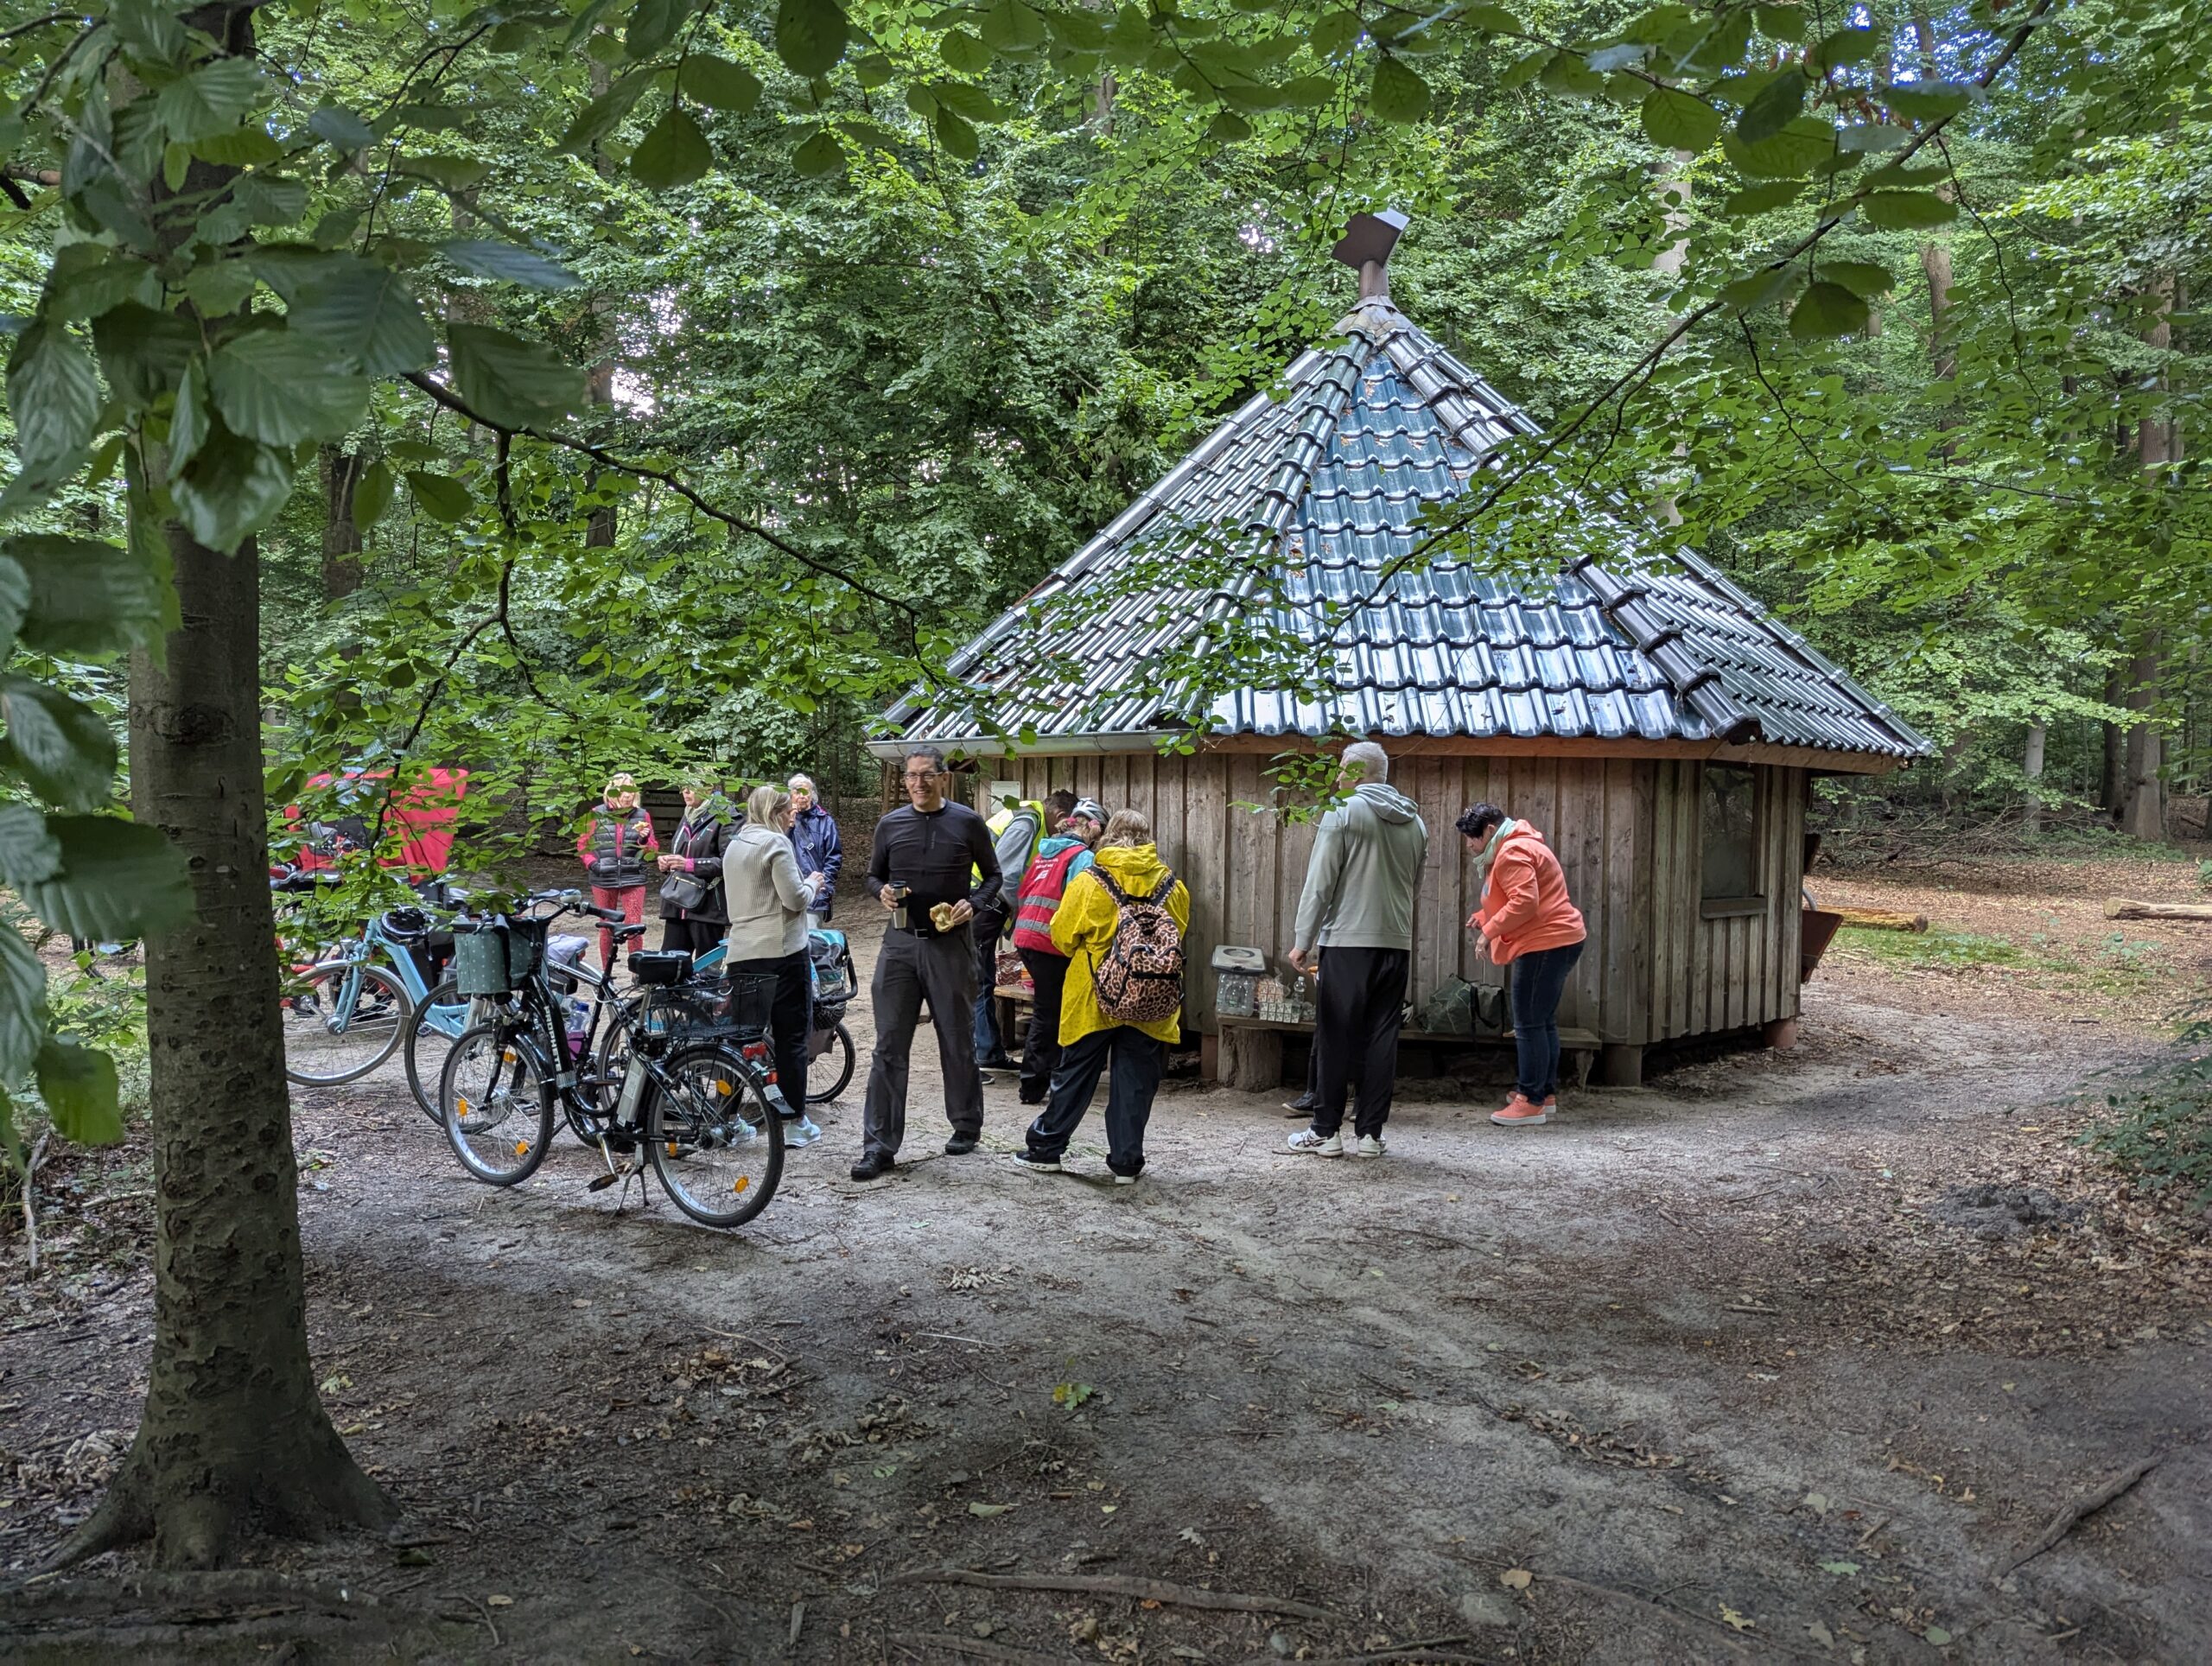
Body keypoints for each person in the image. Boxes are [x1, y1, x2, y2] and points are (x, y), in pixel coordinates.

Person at [1014, 809, 1189, 1185]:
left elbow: (1061, 935)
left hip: (1093, 995)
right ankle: (1126, 1162)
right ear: (1147, 839)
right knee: (1136, 1081)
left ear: (1110, 836)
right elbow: (1178, 935)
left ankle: (1046, 1150)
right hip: (1151, 1000)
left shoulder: (1090, 881)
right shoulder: (1174, 887)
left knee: (1075, 1073)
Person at [852, 748, 1001, 1182]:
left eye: (926, 776)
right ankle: (878, 1146)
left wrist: (973, 905)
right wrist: (879, 892)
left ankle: (965, 1124)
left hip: (950, 945)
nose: (917, 784)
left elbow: (993, 877)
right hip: (899, 944)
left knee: (956, 1038)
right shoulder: (890, 824)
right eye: (910, 777)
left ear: (943, 779)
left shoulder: (967, 822)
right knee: (888, 1046)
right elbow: (872, 876)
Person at [1284, 741, 1427, 1159]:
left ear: (1357, 771)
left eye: (1343, 768)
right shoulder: (1416, 824)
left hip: (1347, 942)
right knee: (1382, 1037)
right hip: (1395, 944)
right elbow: (1411, 890)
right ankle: (1370, 1134)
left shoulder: (1342, 811)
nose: (1338, 776)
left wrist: (1302, 940)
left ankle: (1326, 1131)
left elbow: (1320, 883)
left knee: (1335, 1036)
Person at [1459, 801, 1587, 1128]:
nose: (1470, 845)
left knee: (1528, 1022)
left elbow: (1525, 902)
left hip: (1545, 943)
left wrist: (1488, 932)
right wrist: (1485, 916)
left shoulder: (1512, 852)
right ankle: (1543, 1093)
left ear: (1489, 831)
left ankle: (1529, 1101)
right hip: (1556, 939)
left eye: (1472, 838)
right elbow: (1522, 897)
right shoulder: (1519, 844)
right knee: (1542, 1021)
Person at [724, 783, 828, 1147]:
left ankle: (728, 1119)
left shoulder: (735, 844)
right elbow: (795, 899)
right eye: (787, 811)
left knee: (740, 1038)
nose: (793, 815)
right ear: (773, 813)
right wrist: (813, 882)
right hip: (782, 951)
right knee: (791, 1037)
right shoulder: (775, 843)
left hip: (741, 951)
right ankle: (794, 1121)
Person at [1008, 794, 1100, 1105]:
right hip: (1051, 942)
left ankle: (1041, 1079)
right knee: (1051, 1013)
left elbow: (1024, 890)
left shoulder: (1046, 852)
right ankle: (1035, 1084)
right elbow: (1080, 904)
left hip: (1025, 936)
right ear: (1092, 828)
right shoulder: (1082, 857)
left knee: (1048, 1009)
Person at [972, 791, 1050, 1073]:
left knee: (983, 980)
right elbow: (1004, 876)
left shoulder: (1029, 814)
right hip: (980, 904)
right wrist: (1024, 910)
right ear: (1060, 814)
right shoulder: (1029, 820)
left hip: (982, 904)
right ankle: (984, 1053)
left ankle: (988, 1050)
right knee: (978, 982)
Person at [577, 773, 658, 972]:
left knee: (634, 926)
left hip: (634, 877)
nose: (628, 795)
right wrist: (593, 865)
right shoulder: (595, 814)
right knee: (606, 927)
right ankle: (607, 973)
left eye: (631, 791)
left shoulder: (642, 816)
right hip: (603, 877)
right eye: (623, 790)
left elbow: (653, 851)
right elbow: (583, 845)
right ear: (612, 792)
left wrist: (643, 840)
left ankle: (637, 973)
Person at [656, 776, 736, 960]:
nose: (685, 792)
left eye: (691, 787)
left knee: (707, 970)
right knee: (669, 965)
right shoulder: (688, 814)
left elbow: (729, 862)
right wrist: (667, 863)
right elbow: (683, 852)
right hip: (676, 903)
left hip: (707, 907)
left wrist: (690, 864)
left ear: (708, 788)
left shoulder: (726, 815)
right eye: (683, 787)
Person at [788, 773, 842, 921]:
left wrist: (826, 888)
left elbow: (834, 857)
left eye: (806, 792)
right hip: (786, 895)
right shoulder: (782, 820)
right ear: (790, 795)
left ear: (812, 794)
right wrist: (788, 826)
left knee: (811, 940)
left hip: (815, 896)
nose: (802, 796)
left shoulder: (825, 821)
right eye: (797, 792)